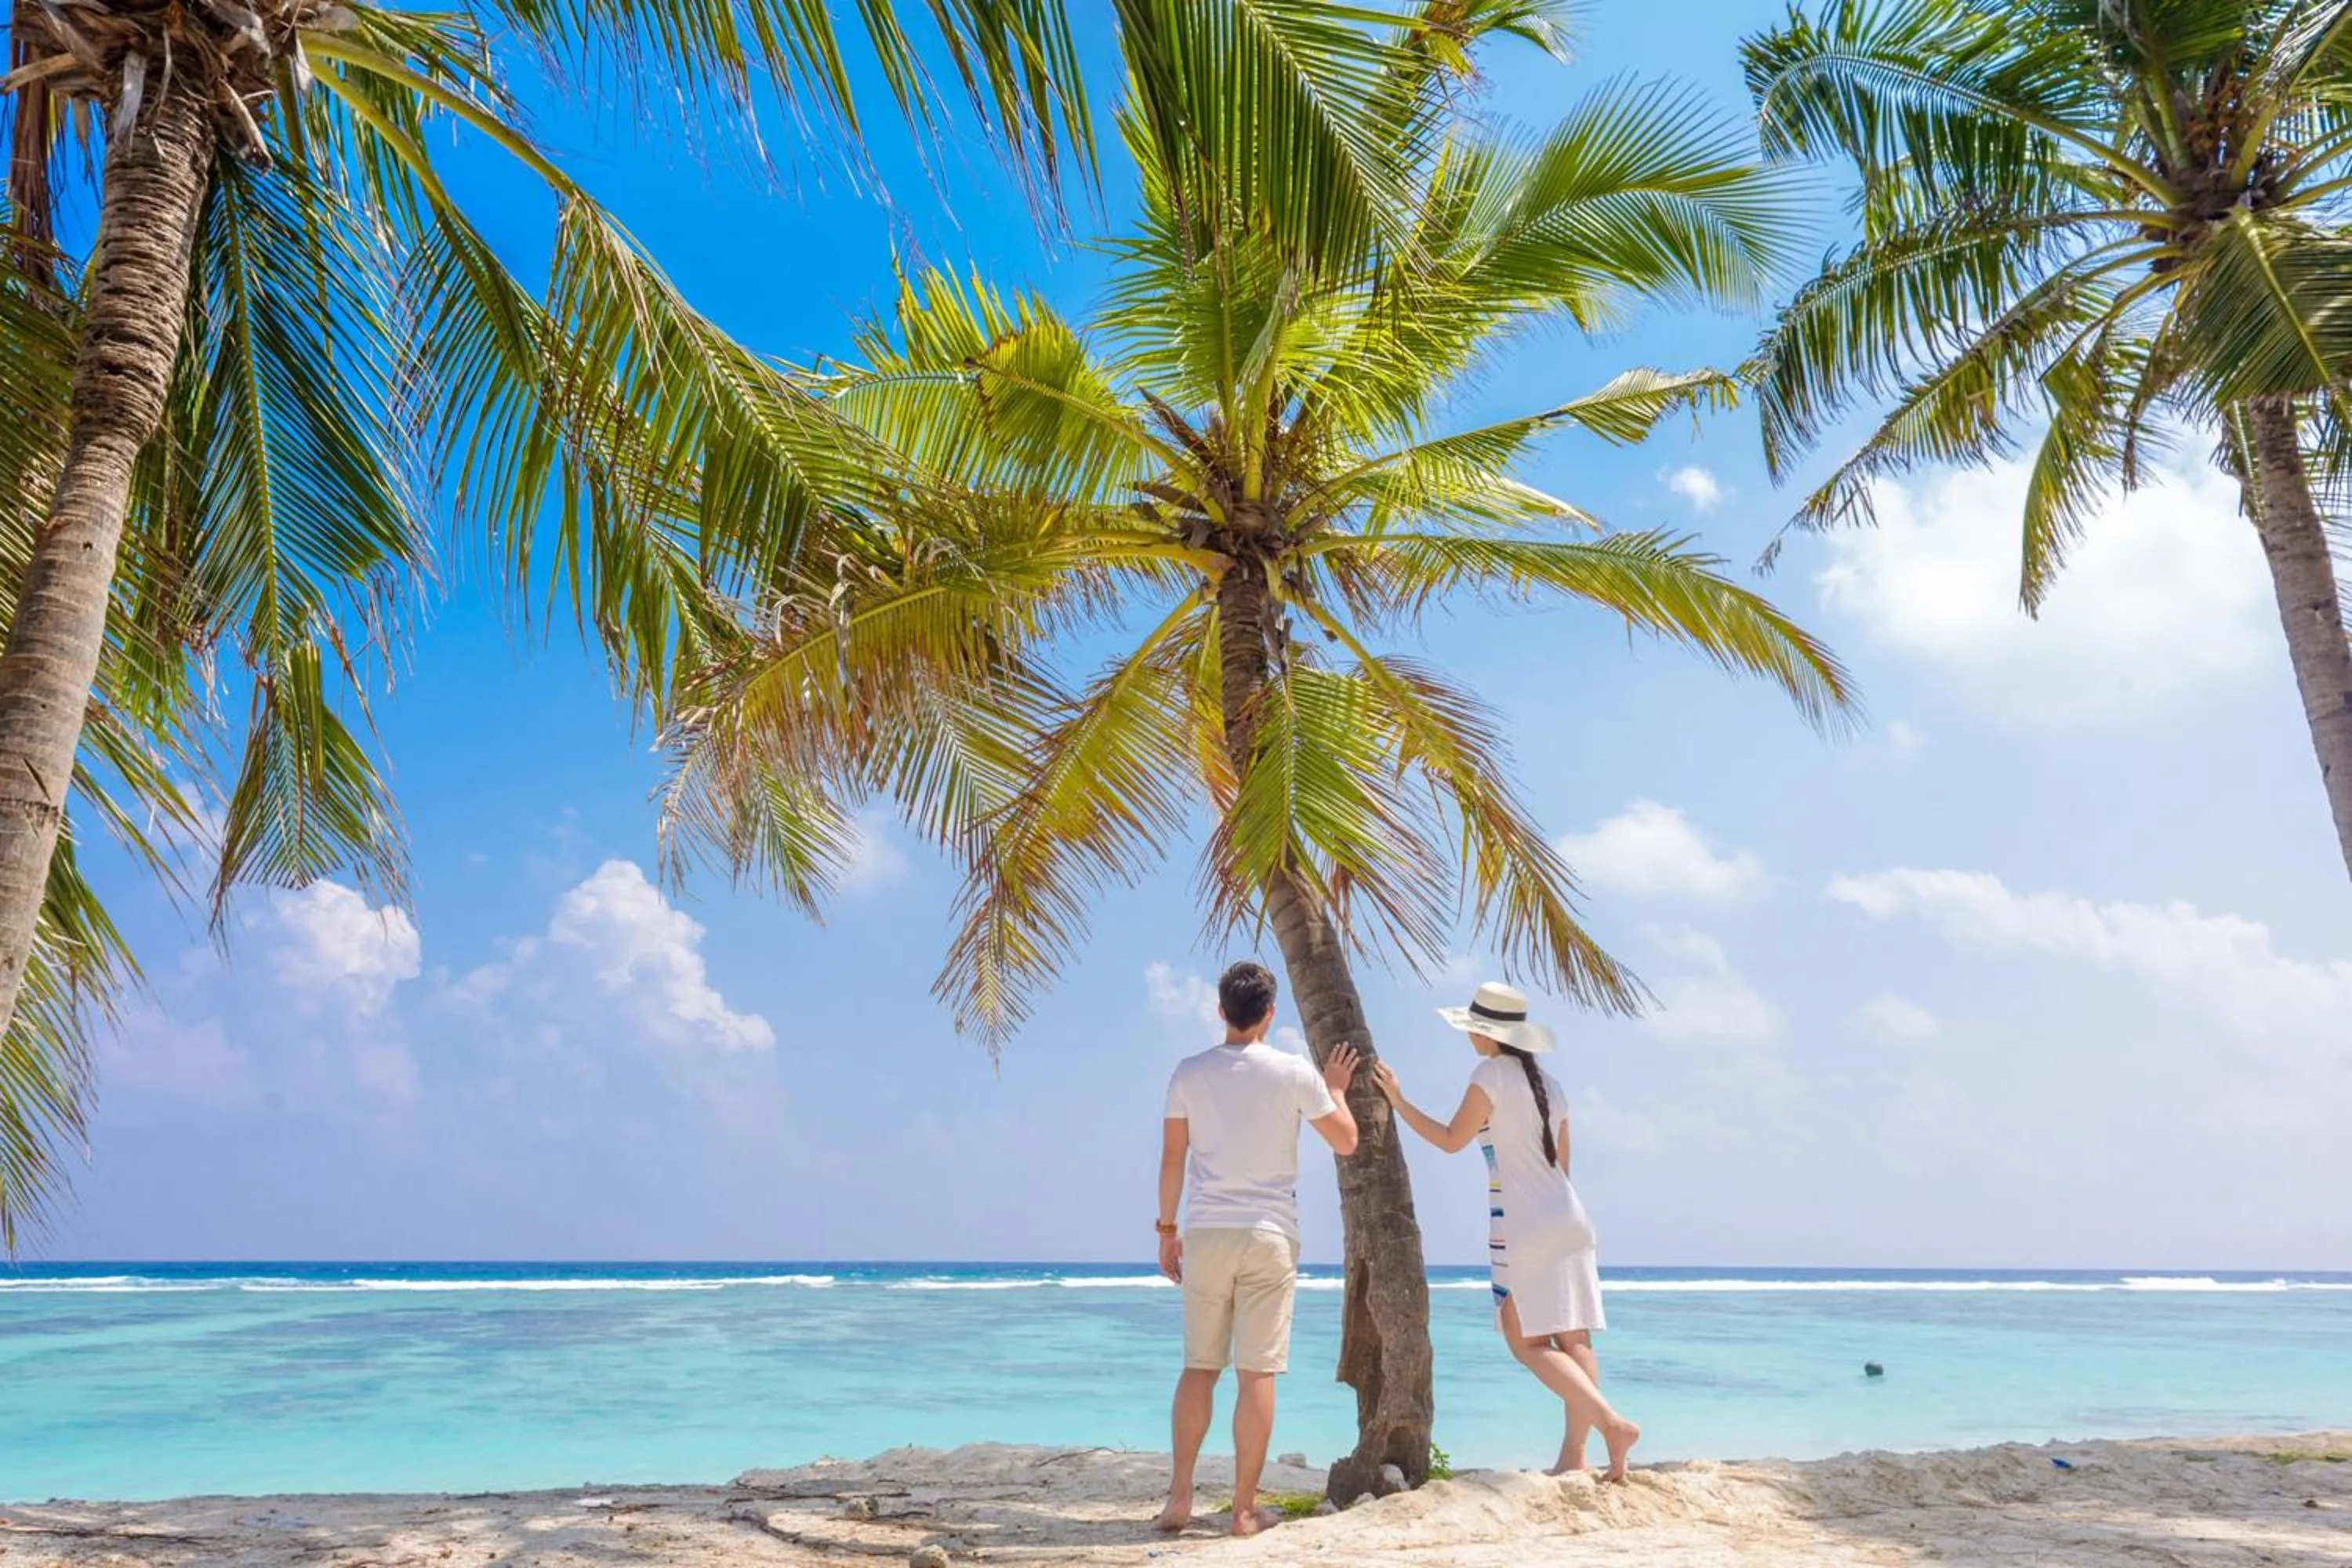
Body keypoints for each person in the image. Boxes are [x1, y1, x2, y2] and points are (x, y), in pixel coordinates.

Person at [1372, 981, 1641, 1482]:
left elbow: (1452, 1140)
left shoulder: (1489, 1075)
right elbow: (1562, 1166)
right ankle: (1575, 1457)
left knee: (1528, 1344)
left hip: (1524, 1225)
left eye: (1473, 1027)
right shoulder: (1552, 1086)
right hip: (1571, 1219)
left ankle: (1612, 1424)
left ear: (1487, 1032)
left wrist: (1399, 1102)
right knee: (1575, 1340)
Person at [1153, 960, 1360, 1537]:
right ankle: (1243, 1512)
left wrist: (1167, 1231)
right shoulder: (1294, 1072)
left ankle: (1179, 1498)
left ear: (1221, 1011)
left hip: (1208, 1233)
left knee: (1199, 1368)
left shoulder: (1189, 1073)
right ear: (1271, 1014)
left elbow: (1174, 1159)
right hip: (1269, 1234)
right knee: (1256, 1374)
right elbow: (1347, 1140)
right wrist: (1337, 1090)